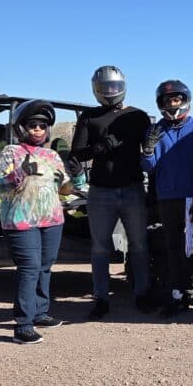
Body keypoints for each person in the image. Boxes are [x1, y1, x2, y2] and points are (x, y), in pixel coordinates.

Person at [71, 65, 157, 320]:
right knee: (99, 248)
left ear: (122, 87)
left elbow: (149, 151)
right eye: (105, 88)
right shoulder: (89, 117)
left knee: (139, 246)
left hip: (132, 188)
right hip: (100, 191)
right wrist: (101, 147)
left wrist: (151, 146)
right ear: (96, 89)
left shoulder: (138, 116)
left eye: (114, 87)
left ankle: (142, 294)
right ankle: (101, 298)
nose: (110, 92)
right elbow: (77, 154)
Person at [0, 99, 76, 344]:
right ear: (21, 128)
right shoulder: (10, 153)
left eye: (42, 125)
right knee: (29, 268)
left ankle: (39, 312)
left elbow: (64, 190)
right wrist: (19, 174)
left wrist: (76, 178)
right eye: (32, 125)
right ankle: (23, 324)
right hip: (21, 221)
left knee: (45, 266)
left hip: (51, 220)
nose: (37, 129)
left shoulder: (52, 156)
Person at [140, 79, 193, 319]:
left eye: (176, 99)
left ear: (184, 100)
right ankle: (178, 295)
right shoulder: (155, 131)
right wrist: (148, 150)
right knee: (173, 248)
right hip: (167, 198)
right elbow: (149, 167)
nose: (173, 104)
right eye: (168, 100)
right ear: (161, 104)